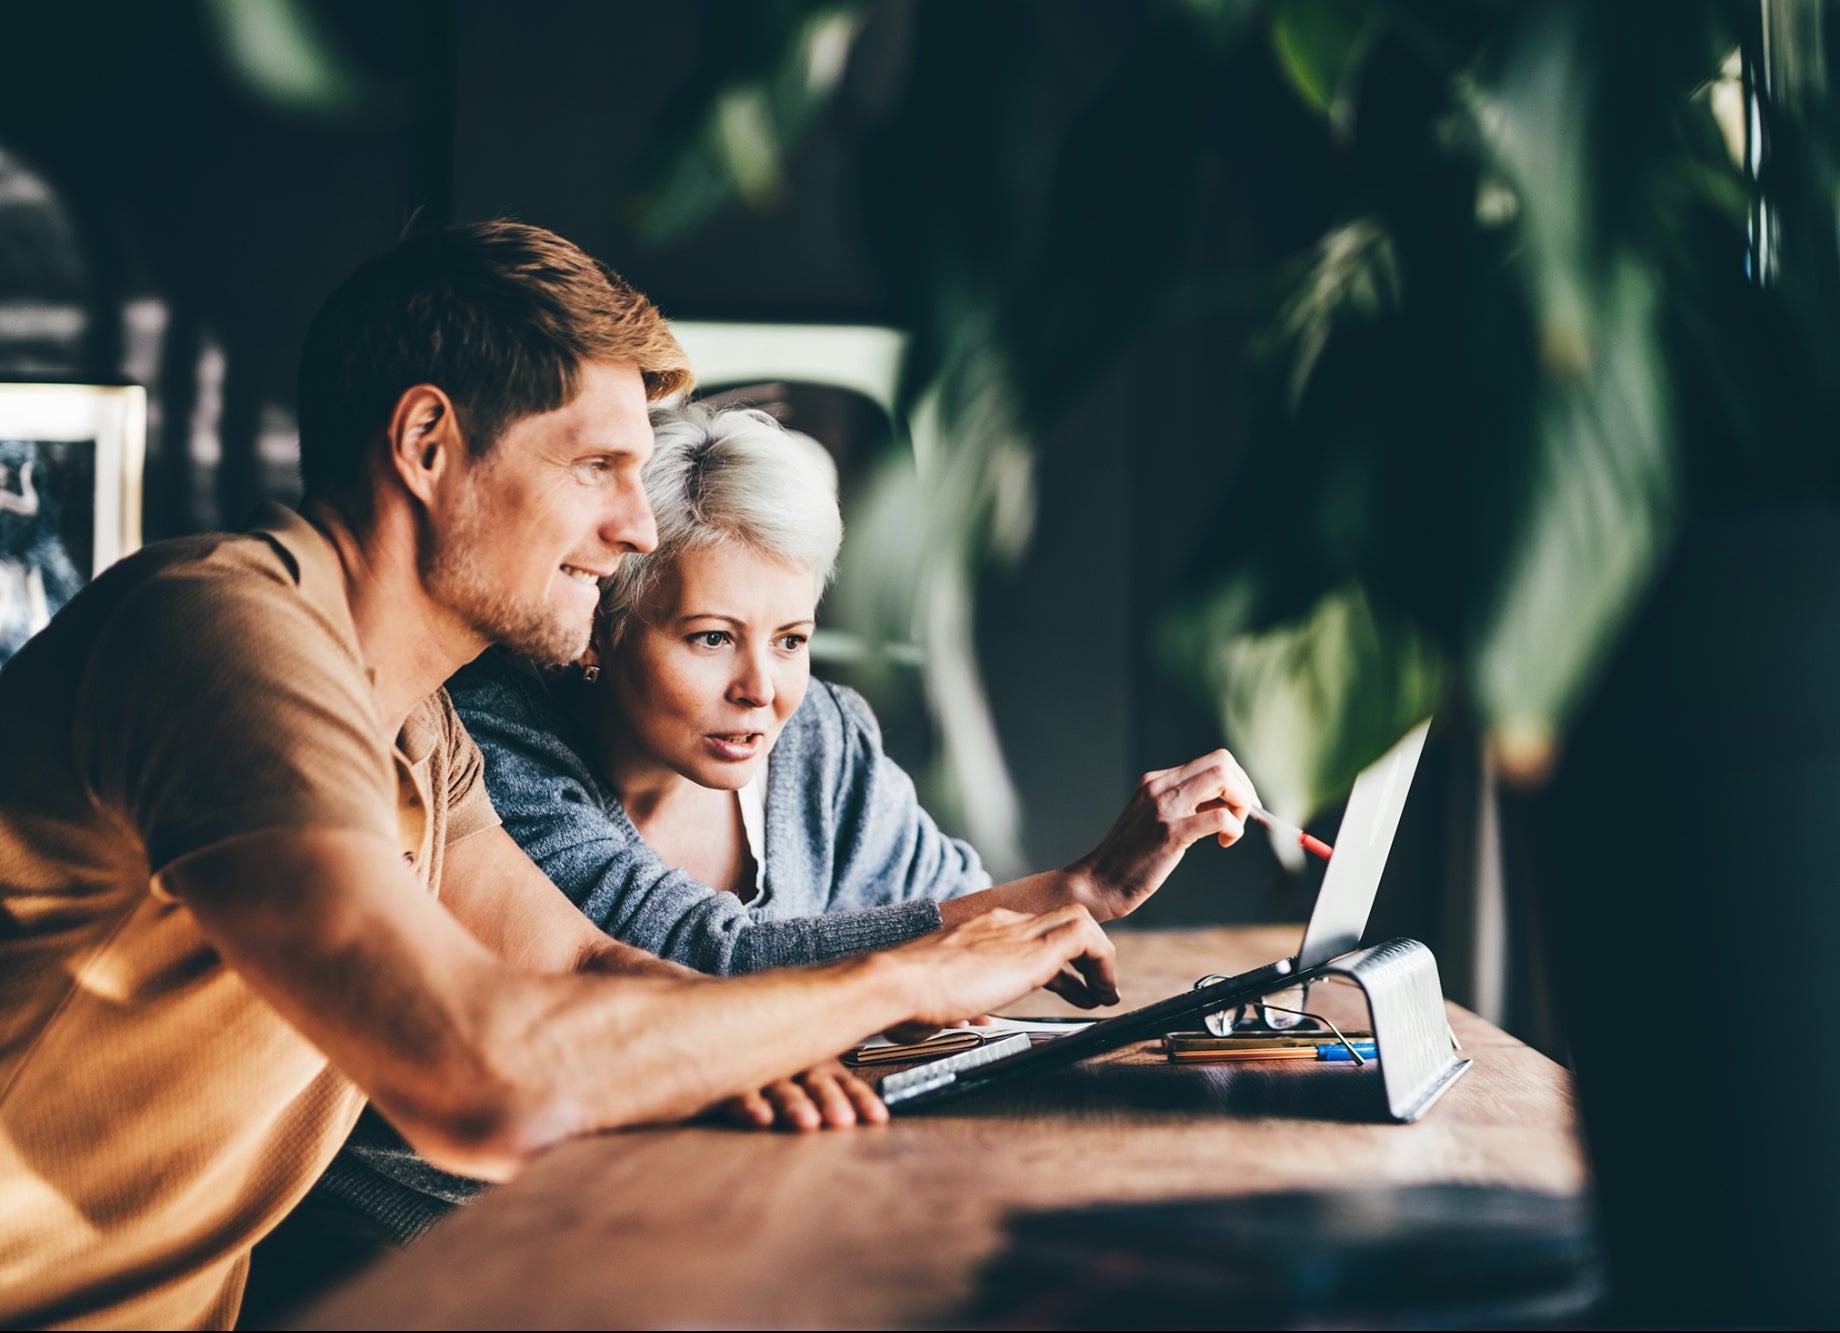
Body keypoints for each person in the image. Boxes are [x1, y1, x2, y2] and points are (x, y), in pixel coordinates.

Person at [0, 222, 1150, 1331]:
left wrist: (742, 1048)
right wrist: (906, 979)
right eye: (598, 466)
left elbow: (583, 960)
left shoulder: (415, 730)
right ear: (427, 445)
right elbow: (481, 1078)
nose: (636, 528)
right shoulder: (224, 636)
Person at [306, 400, 1263, 1240]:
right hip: (446, 1223)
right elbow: (698, 966)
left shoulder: (820, 741)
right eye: (711, 638)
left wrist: (1034, 929)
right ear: (604, 629)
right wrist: (1076, 889)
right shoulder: (490, 731)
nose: (762, 692)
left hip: (689, 1208)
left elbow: (965, 913)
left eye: (793, 639)